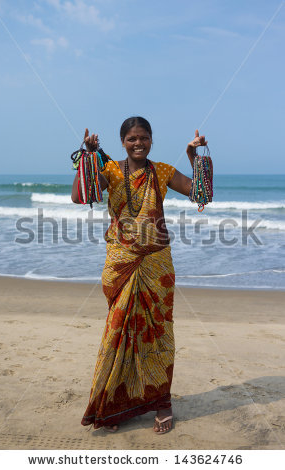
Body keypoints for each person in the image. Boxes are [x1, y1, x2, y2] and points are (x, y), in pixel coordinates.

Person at [71, 116, 207, 434]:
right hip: (120, 263)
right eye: (132, 138)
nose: (138, 143)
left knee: (159, 336)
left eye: (143, 137)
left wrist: (193, 156)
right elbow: (80, 196)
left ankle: (162, 403)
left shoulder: (161, 171)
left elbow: (200, 193)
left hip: (157, 266)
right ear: (122, 142)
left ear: (150, 140)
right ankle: (117, 405)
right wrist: (88, 156)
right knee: (119, 335)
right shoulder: (110, 171)